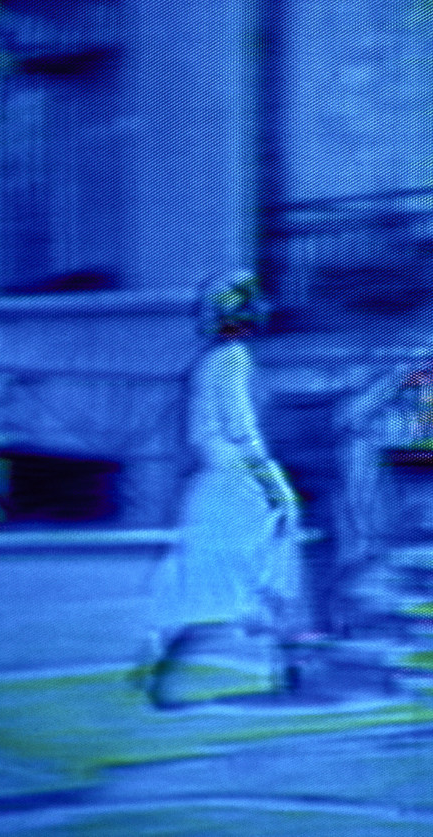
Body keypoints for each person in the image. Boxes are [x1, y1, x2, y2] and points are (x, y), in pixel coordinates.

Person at [139, 270, 306, 703]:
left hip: (211, 481)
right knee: (270, 559)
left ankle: (168, 664)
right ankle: (286, 664)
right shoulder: (233, 358)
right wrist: (274, 484)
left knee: (208, 577)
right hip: (238, 481)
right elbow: (241, 427)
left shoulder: (207, 361)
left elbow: (200, 434)